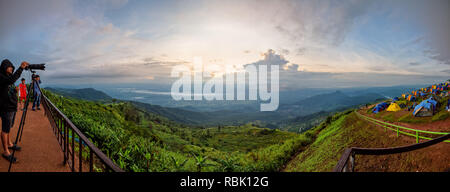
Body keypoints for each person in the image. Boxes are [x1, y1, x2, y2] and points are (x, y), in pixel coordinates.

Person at [0, 59, 28, 162]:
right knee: (5, 129)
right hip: (6, 108)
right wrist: (21, 68)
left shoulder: (7, 78)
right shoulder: (1, 76)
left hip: (11, 107)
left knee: (8, 128)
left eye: (12, 66)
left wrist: (14, 90)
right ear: (4, 67)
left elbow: (8, 87)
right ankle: (6, 152)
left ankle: (9, 144)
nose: (11, 68)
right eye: (9, 66)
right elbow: (10, 81)